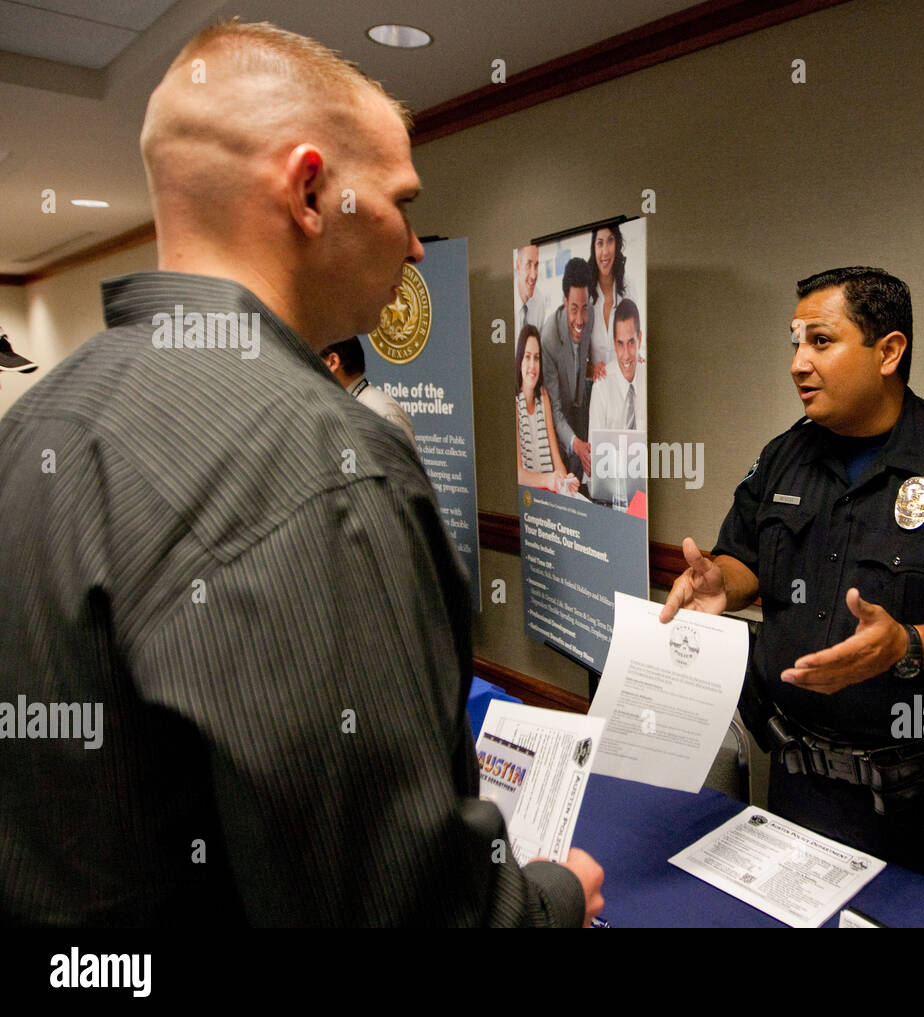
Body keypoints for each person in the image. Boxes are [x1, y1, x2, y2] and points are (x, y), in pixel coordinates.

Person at [0, 20, 602, 927]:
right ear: (312, 192)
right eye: (401, 201)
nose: (411, 247)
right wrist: (552, 901)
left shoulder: (36, 422)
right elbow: (399, 906)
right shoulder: (327, 459)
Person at [660, 266, 924, 896]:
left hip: (923, 807)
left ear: (889, 351)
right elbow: (744, 556)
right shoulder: (781, 458)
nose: (798, 363)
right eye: (794, 342)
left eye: (820, 342)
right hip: (797, 785)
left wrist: (908, 644)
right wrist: (724, 581)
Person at [540, 256, 604, 480]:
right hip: (559, 424)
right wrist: (575, 444)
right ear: (565, 302)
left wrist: (596, 366)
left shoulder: (591, 315)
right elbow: (554, 410)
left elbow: (587, 358)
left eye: (585, 308)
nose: (580, 319)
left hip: (580, 406)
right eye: (574, 308)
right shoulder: (548, 337)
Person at [320, 336, 418, 452]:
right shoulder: (333, 408)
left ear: (332, 362)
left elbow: (402, 469)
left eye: (311, 360)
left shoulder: (383, 413)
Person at [515, 325, 577, 494]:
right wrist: (549, 480)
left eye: (536, 358)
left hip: (549, 491)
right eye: (527, 357)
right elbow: (518, 475)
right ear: (519, 360)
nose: (532, 366)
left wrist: (566, 481)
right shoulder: (513, 404)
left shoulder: (543, 397)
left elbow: (557, 460)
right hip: (529, 496)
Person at [587, 298, 646, 432]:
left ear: (640, 339)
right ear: (614, 343)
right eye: (620, 344)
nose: (626, 354)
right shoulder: (601, 387)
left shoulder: (650, 380)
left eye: (631, 342)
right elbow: (596, 450)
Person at [587, 225, 636, 366]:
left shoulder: (629, 288)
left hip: (623, 382)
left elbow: (634, 340)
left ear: (617, 244)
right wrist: (593, 369)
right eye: (600, 243)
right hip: (595, 385)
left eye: (610, 241)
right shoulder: (586, 294)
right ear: (594, 248)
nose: (605, 251)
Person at [513, 244, 546, 340]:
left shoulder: (539, 302)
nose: (534, 275)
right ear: (518, 266)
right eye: (528, 265)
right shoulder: (505, 301)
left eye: (536, 266)